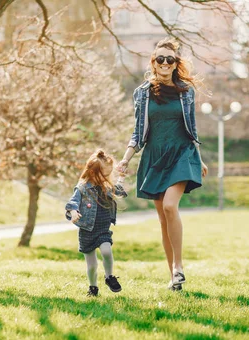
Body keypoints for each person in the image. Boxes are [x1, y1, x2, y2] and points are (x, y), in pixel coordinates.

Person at [116, 37, 208, 292]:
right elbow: (138, 132)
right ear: (153, 63)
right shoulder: (142, 93)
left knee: (170, 207)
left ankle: (179, 266)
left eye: (170, 59)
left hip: (181, 153)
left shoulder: (185, 92)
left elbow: (192, 128)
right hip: (155, 157)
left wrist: (199, 159)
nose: (165, 63)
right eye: (160, 59)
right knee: (163, 220)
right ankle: (173, 278)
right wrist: (125, 159)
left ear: (175, 63)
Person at [65, 149, 127, 297]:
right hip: (87, 231)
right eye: (105, 174)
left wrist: (122, 177)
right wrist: (74, 212)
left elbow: (118, 191)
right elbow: (72, 203)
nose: (107, 177)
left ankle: (109, 277)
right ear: (93, 173)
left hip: (103, 230)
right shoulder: (82, 188)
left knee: (106, 251)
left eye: (109, 174)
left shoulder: (105, 186)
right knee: (92, 266)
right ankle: (93, 288)